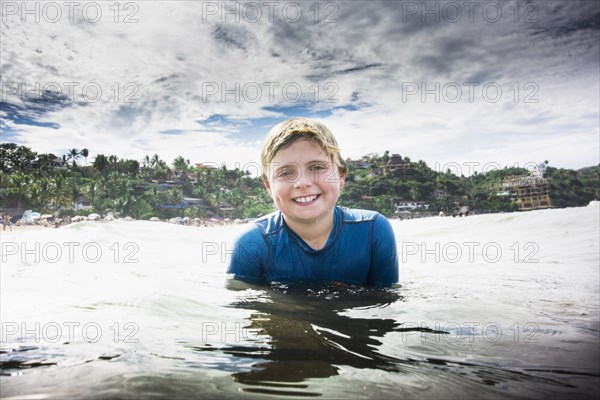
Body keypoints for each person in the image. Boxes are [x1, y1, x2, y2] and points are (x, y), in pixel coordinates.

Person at [227, 117, 399, 287]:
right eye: (286, 173)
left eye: (317, 167)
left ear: (341, 175)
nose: (302, 183)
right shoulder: (251, 244)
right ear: (269, 187)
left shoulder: (373, 231)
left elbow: (385, 307)